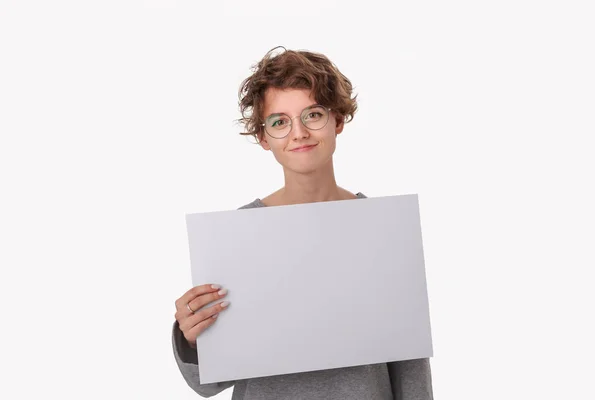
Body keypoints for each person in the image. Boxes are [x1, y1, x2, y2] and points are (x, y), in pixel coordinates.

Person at [172, 46, 434, 399]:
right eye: (280, 121)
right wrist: (191, 337)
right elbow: (208, 383)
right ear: (264, 138)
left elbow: (410, 365)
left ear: (338, 120)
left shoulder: (383, 230)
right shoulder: (237, 235)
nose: (298, 133)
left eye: (312, 115)